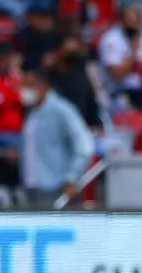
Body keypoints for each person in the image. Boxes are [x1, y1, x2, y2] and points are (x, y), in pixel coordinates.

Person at [20, 68, 94, 206]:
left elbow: (84, 144)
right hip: (31, 186)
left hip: (55, 186)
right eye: (24, 85)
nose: (26, 90)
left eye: (30, 85)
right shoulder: (31, 112)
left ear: (44, 85)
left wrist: (72, 177)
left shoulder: (61, 109)